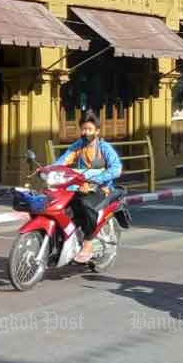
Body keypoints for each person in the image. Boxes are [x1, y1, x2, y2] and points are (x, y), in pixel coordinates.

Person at [53, 112, 122, 263]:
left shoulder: (104, 148)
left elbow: (116, 169)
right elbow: (63, 160)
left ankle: (88, 243)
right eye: (84, 129)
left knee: (86, 204)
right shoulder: (77, 146)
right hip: (78, 187)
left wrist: (94, 180)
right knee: (58, 205)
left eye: (90, 129)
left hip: (100, 188)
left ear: (97, 131)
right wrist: (48, 170)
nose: (86, 133)